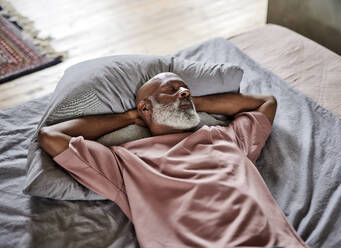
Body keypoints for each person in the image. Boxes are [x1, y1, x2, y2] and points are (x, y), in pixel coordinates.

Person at [38, 72, 308, 248]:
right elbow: (52, 136)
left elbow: (265, 102)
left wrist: (193, 101)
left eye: (186, 89)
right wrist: (131, 117)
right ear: (145, 107)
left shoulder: (226, 137)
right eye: (171, 89)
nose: (184, 92)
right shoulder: (126, 161)